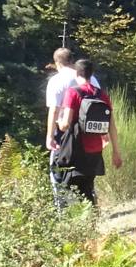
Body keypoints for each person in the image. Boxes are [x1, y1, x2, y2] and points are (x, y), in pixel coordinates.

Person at [51, 56, 122, 209]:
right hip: (95, 150)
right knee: (88, 188)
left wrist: (58, 121)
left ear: (77, 74)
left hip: (76, 150)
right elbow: (112, 126)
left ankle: (78, 226)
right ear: (91, 74)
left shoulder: (73, 92)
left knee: (69, 188)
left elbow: (65, 125)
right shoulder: (101, 95)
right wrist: (116, 152)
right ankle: (91, 221)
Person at [43, 46, 78, 156]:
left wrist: (50, 137)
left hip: (65, 130)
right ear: (72, 60)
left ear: (57, 62)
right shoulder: (90, 78)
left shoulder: (57, 80)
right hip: (88, 132)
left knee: (58, 169)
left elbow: (54, 110)